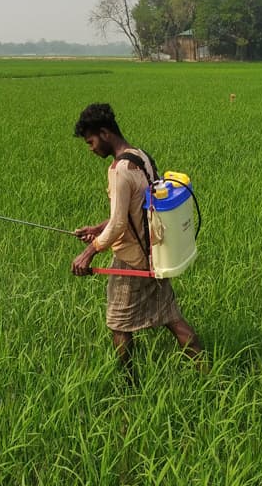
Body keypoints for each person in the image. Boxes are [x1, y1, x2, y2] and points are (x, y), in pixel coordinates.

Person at [71, 103, 205, 382]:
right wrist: (98, 228)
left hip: (131, 259)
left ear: (105, 133)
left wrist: (89, 252)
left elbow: (120, 224)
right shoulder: (140, 156)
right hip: (155, 252)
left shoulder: (120, 169)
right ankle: (206, 372)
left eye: (91, 141)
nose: (91, 148)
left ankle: (129, 383)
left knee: (118, 323)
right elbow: (137, 210)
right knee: (171, 317)